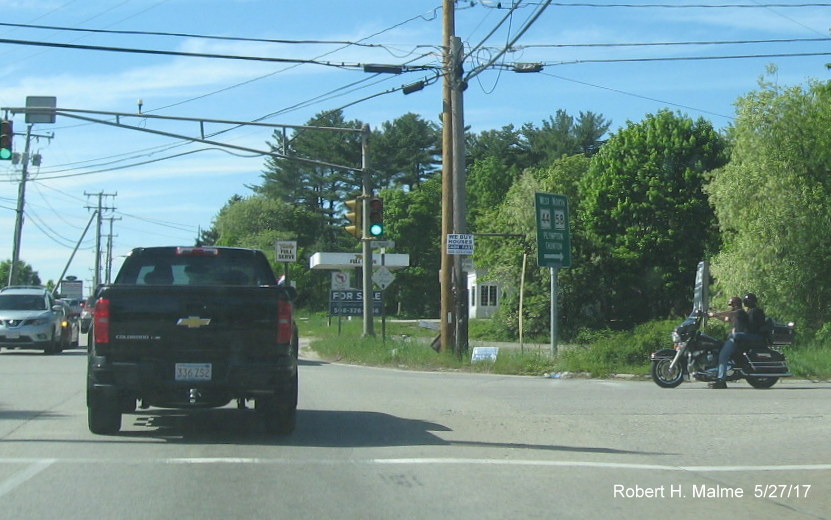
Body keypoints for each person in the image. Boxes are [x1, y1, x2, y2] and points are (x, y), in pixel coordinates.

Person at [707, 296, 749, 389]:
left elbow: (729, 314)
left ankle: (721, 380)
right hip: (735, 339)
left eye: (730, 304)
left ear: (735, 305)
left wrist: (714, 314)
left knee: (723, 355)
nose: (729, 306)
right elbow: (726, 319)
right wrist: (715, 316)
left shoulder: (740, 312)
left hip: (737, 339)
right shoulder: (736, 315)